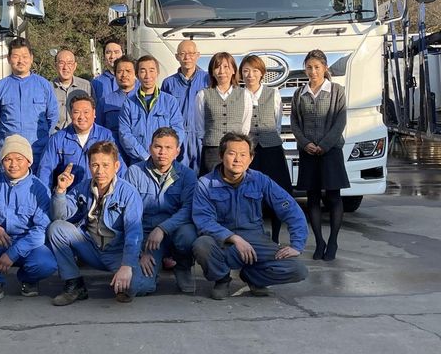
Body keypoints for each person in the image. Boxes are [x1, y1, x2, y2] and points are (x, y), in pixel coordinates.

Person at [192, 133, 308, 300]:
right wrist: (234, 238)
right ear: (221, 156)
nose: (237, 159)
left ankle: (254, 277)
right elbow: (204, 221)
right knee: (202, 244)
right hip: (223, 242)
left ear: (251, 158)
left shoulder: (259, 180)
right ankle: (222, 279)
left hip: (256, 242)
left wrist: (297, 245)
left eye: (243, 155)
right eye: (232, 153)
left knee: (298, 270)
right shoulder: (205, 184)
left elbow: (291, 209)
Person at [47, 141, 155, 305]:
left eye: (105, 165)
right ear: (89, 166)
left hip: (116, 252)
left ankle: (130, 278)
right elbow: (59, 216)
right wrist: (60, 191)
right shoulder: (83, 187)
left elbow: (133, 233)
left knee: (134, 287)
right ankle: (74, 283)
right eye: (95, 165)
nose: (100, 171)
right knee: (56, 228)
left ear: (116, 166)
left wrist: (127, 265)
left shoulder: (128, 193)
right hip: (90, 247)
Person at [0, 135, 57, 305]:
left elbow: (41, 229)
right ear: (1, 162)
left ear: (29, 161)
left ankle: (28, 279)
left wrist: (13, 253)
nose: (13, 164)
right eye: (8, 159)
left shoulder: (39, 189)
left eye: (19, 159)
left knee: (46, 263)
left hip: (25, 242)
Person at [291, 49, 349, 261]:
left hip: (331, 151)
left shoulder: (336, 91)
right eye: (309, 67)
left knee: (333, 197)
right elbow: (294, 122)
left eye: (317, 67)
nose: (313, 71)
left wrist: (324, 145)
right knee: (312, 197)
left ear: (325, 68)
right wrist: (305, 143)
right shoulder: (300, 93)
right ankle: (319, 241)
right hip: (308, 153)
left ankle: (333, 241)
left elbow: (340, 121)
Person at [125, 127, 197, 294]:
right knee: (137, 287)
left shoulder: (187, 175)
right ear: (150, 148)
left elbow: (188, 209)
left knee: (188, 235)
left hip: (175, 230)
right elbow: (128, 214)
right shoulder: (134, 172)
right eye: (158, 147)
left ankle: (183, 266)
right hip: (146, 236)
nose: (162, 152)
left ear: (177, 152)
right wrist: (140, 252)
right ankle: (152, 273)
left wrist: (163, 228)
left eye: (168, 148)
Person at [240, 54, 292, 244]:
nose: (250, 75)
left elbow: (276, 122)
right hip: (250, 151)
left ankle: (276, 237)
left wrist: (269, 138)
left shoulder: (273, 93)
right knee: (251, 194)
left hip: (271, 150)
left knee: (276, 192)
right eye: (246, 71)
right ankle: (255, 236)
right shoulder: (238, 94)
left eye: (255, 71)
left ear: (262, 73)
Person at [0, 37, 58, 166]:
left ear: (31, 58)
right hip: (9, 154)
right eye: (16, 57)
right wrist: (7, 136)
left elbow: (52, 116)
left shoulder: (44, 85)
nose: (21, 61)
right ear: (9, 59)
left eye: (25, 56)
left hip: (38, 151)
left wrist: (42, 137)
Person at [37, 95, 123, 190]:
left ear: (94, 113)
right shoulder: (57, 139)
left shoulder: (106, 136)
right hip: (69, 194)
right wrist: (46, 196)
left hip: (100, 193)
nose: (81, 117)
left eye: (86, 112)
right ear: (70, 114)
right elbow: (45, 171)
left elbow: (119, 169)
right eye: (76, 112)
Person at [118, 55, 185, 166]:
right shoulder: (129, 104)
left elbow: (178, 130)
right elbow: (124, 134)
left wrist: (165, 153)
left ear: (157, 73)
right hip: (139, 163)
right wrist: (146, 156)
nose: (147, 75)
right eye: (143, 71)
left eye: (151, 70)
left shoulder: (170, 101)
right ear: (137, 75)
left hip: (165, 162)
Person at [194, 52, 252, 176]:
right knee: (211, 182)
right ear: (212, 72)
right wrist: (210, 139)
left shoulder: (244, 94)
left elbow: (245, 125)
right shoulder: (203, 95)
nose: (221, 71)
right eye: (217, 67)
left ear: (233, 70)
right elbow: (200, 125)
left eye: (226, 67)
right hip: (212, 149)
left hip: (236, 150)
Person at [161, 40, 210, 171]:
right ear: (177, 56)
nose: (187, 57)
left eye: (191, 53)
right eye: (182, 54)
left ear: (198, 55)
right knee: (178, 174)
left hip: (202, 137)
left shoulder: (208, 80)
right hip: (178, 138)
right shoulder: (169, 83)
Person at [96, 56, 138, 143]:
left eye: (128, 71)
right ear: (115, 75)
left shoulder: (144, 99)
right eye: (119, 72)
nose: (124, 75)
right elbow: (98, 130)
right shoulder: (105, 101)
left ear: (135, 74)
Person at [51, 48, 93, 131]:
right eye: (61, 63)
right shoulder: (48, 88)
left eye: (69, 63)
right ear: (55, 65)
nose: (65, 67)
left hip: (80, 134)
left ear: (75, 66)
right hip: (55, 135)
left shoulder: (86, 86)